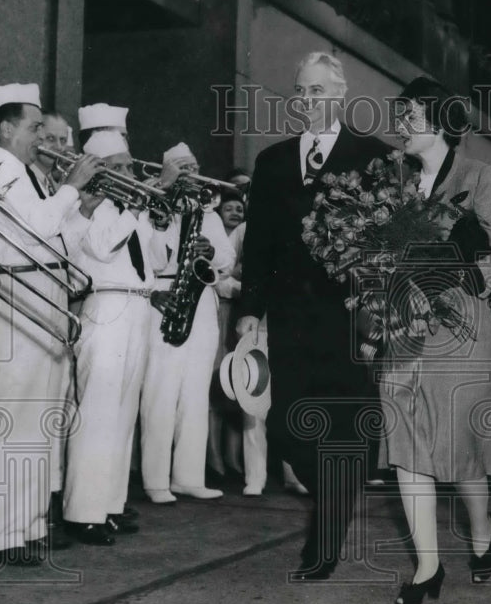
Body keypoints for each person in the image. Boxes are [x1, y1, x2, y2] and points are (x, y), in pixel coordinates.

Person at [236, 51, 389, 580]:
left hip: (349, 320)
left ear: (341, 93)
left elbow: (389, 242)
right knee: (285, 427)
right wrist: (249, 311)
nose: (307, 102)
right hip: (291, 318)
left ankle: (322, 547)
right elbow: (256, 246)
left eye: (318, 92)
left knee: (342, 431)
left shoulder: (374, 156)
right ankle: (339, 487)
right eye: (301, 92)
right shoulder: (273, 160)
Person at [378, 77, 491, 604]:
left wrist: (463, 279)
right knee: (407, 441)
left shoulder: (478, 176)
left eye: (409, 115)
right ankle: (427, 568)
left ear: (439, 121)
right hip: (404, 322)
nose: (400, 125)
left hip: (460, 322)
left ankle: (482, 531)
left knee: (458, 448)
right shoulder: (392, 181)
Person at [0, 83, 99, 563]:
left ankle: (27, 524)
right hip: (13, 300)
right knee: (15, 422)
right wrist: (71, 189)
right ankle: (2, 535)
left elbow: (61, 238)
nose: (42, 136)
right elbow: (33, 229)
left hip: (43, 299)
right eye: (34, 126)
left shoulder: (28, 174)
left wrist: (77, 203)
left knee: (38, 424)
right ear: (5, 128)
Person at [61, 130, 158, 545]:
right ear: (98, 171)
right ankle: (82, 512)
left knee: (123, 415)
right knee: (99, 415)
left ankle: (110, 504)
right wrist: (136, 208)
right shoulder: (92, 205)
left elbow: (150, 257)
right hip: (105, 306)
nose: (128, 173)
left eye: (129, 165)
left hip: (138, 306)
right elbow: (101, 248)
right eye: (116, 167)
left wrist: (149, 212)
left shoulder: (125, 207)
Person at [139, 142, 235, 504]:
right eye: (182, 167)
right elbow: (149, 254)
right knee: (161, 390)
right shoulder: (153, 203)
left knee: (195, 390)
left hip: (202, 298)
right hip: (166, 293)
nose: (191, 173)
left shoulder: (208, 210)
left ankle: (188, 476)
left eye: (194, 165)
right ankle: (155, 479)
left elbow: (227, 257)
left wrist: (210, 252)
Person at [208, 191, 308, 496]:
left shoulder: (304, 229)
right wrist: (249, 297)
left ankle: (294, 474)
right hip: (257, 327)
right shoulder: (244, 232)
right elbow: (225, 274)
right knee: (254, 400)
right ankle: (255, 477)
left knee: (292, 401)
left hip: (293, 326)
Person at [30, 112, 73, 193]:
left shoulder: (50, 182)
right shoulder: (25, 179)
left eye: (63, 140)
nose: (59, 147)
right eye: (50, 138)